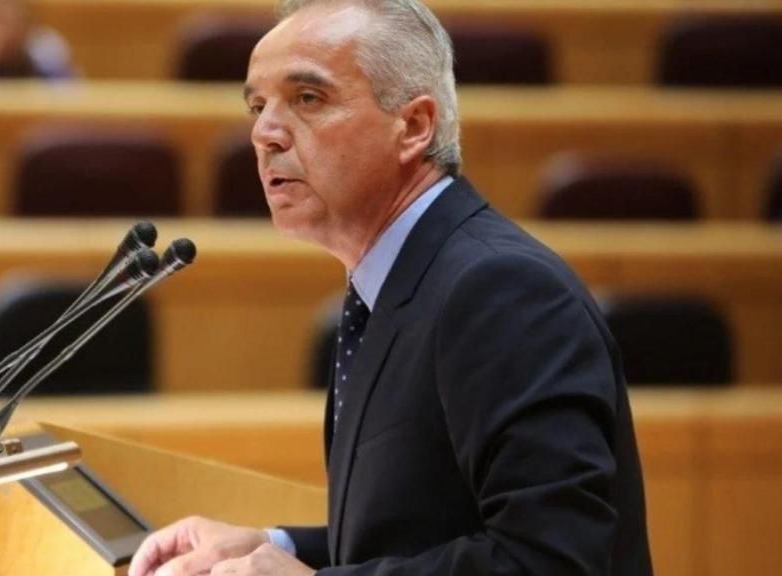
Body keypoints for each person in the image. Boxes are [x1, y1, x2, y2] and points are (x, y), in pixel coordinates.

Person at [130, 0, 654, 575]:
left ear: (413, 127)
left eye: (307, 99)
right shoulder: (398, 282)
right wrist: (274, 547)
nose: (265, 133)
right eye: (258, 105)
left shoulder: (502, 291)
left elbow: (550, 559)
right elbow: (422, 528)